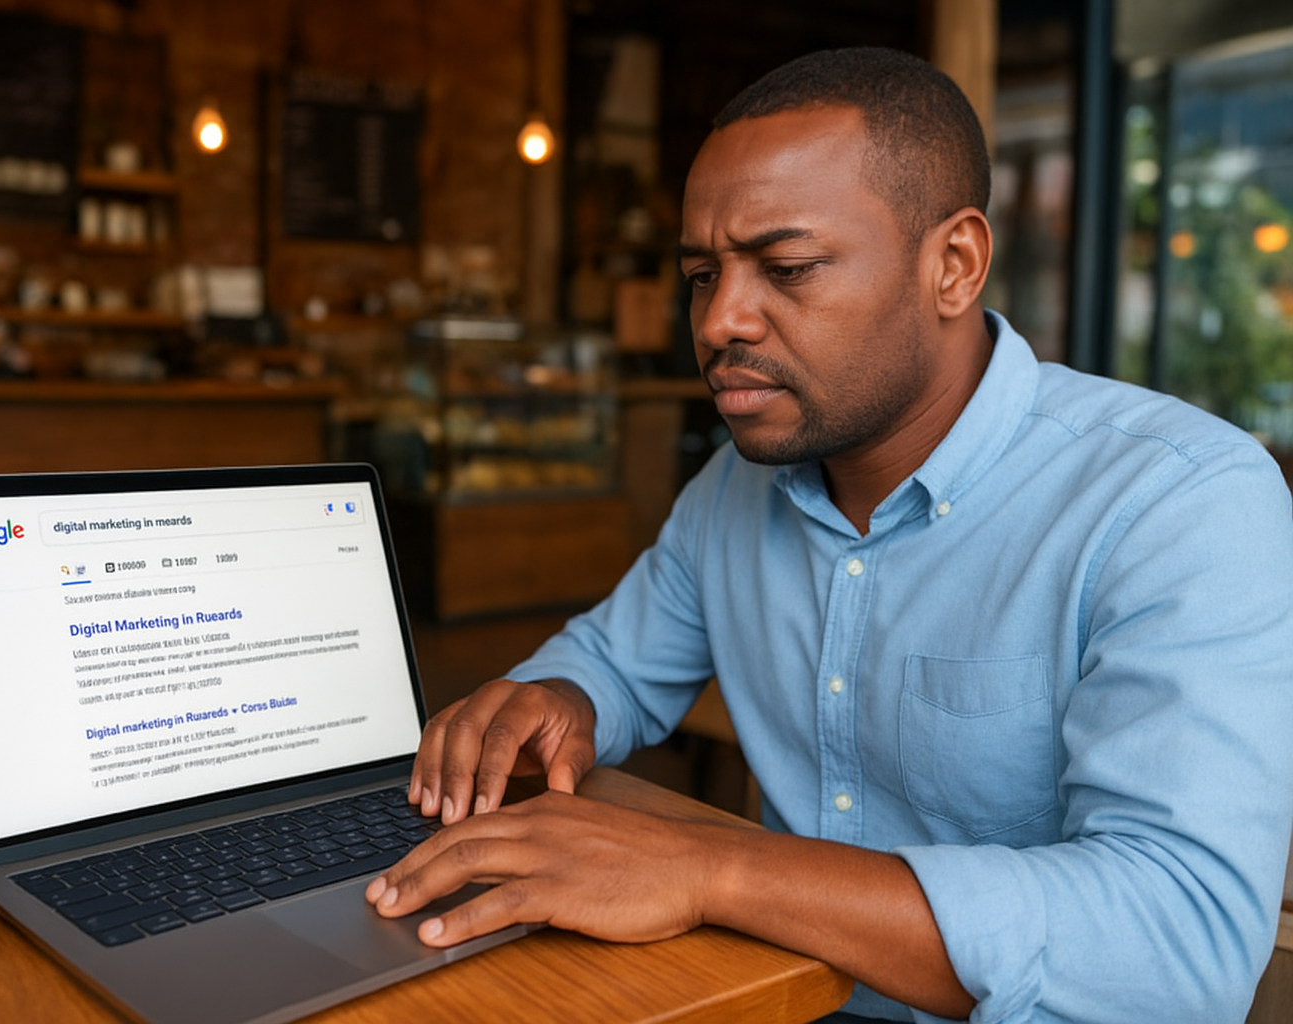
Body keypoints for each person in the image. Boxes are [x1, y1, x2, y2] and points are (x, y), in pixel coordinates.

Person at [363, 47, 1293, 1023]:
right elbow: (615, 663)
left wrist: (716, 868)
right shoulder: (735, 485)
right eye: (699, 274)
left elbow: (1180, 945)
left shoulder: (1177, 500)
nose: (720, 319)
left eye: (788, 267)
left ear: (955, 265)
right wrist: (558, 698)